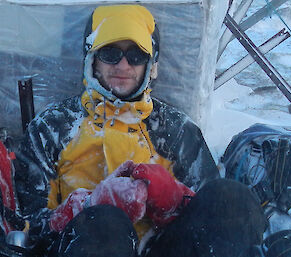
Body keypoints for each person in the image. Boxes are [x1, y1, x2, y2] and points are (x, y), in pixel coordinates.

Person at [0, 4, 266, 257]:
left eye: (136, 56)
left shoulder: (176, 129)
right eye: (110, 53)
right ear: (92, 59)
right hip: (84, 245)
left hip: (164, 246)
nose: (123, 66)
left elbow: (209, 215)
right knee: (105, 222)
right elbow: (25, 229)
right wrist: (87, 206)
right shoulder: (53, 128)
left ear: (150, 64)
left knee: (232, 199)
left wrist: (177, 199)